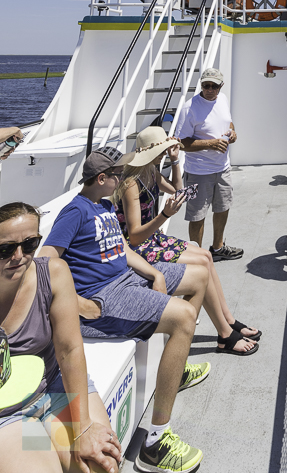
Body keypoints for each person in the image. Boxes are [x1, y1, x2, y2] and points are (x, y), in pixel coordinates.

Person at [39, 150, 212, 473]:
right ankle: (155, 443)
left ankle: (176, 368)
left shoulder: (103, 205)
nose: (122, 179)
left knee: (200, 276)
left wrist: (154, 273)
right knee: (184, 317)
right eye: (117, 174)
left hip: (127, 279)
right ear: (102, 179)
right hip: (103, 298)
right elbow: (45, 262)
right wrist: (77, 304)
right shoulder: (75, 212)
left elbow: (123, 248)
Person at [0, 200, 121, 473]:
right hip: (9, 414)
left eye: (30, 244)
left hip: (56, 390)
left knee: (100, 465)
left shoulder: (53, 273)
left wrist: (82, 431)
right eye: (5, 249)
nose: (18, 256)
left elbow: (69, 350)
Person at [114, 126, 261, 350]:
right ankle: (224, 334)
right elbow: (133, 237)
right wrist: (165, 215)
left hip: (152, 240)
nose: (165, 152)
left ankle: (228, 320)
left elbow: (177, 191)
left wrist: (175, 161)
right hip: (138, 249)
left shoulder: (150, 171)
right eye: (163, 150)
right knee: (202, 261)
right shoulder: (131, 184)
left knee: (206, 256)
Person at [172, 68, 242, 262]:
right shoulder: (190, 108)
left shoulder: (223, 99)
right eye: (205, 85)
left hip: (223, 168)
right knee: (197, 216)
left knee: (222, 208)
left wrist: (232, 133)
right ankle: (198, 257)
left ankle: (218, 248)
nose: (209, 90)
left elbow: (229, 123)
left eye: (214, 86)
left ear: (221, 86)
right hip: (198, 172)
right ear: (201, 84)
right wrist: (210, 144)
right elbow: (180, 142)